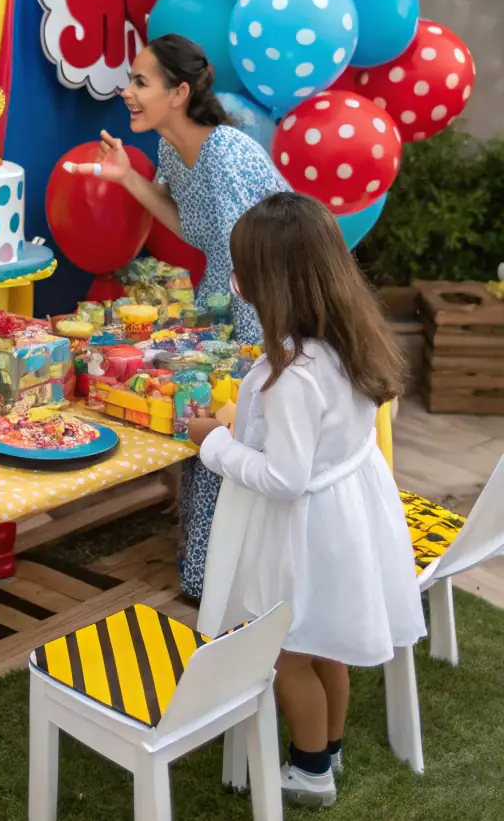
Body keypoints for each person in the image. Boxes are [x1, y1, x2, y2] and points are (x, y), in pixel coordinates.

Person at [188, 193, 425, 809]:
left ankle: (311, 770)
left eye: (242, 270)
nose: (235, 281)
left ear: (271, 284)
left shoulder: (293, 374)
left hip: (304, 531)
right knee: (326, 644)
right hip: (345, 518)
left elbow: (284, 477)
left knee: (286, 653)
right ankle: (330, 747)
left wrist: (214, 443)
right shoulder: (350, 341)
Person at [75, 34, 289, 598]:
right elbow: (188, 225)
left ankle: (226, 579)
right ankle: (205, 572)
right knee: (207, 424)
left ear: (180, 91)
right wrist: (127, 177)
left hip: (267, 304)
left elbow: (256, 257)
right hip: (223, 295)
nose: (127, 91)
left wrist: (245, 347)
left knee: (235, 428)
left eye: (141, 81)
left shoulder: (226, 153)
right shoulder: (175, 149)